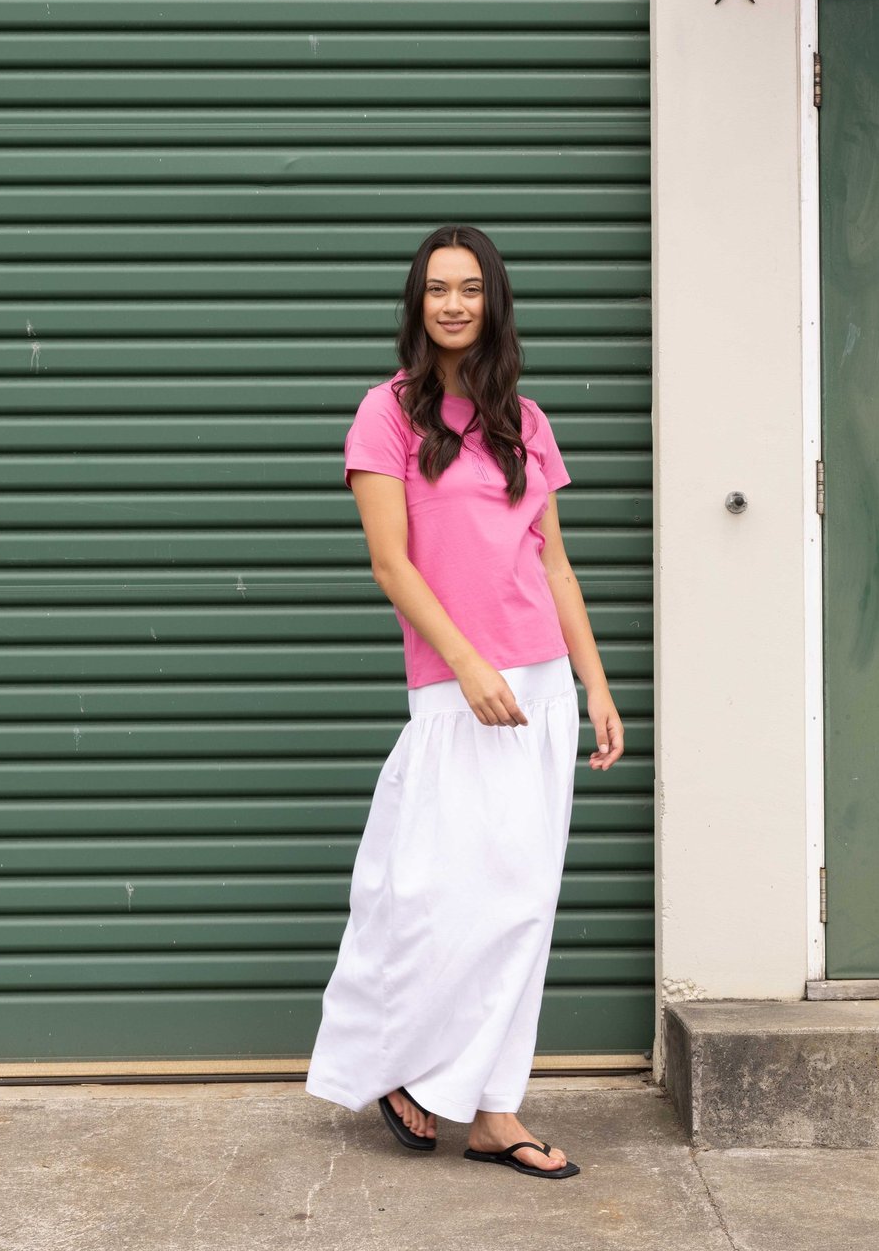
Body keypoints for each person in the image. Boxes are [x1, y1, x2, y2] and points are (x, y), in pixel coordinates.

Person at [303, 224, 626, 1181]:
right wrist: (468, 664)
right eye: (438, 288)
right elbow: (390, 564)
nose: (454, 304)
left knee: (522, 907)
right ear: (418, 302)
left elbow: (554, 565)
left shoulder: (525, 420)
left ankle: (493, 1110)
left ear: (494, 303)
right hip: (458, 689)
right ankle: (398, 1065)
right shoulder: (388, 414)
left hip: (541, 688)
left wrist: (596, 684)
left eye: (471, 288)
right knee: (428, 897)